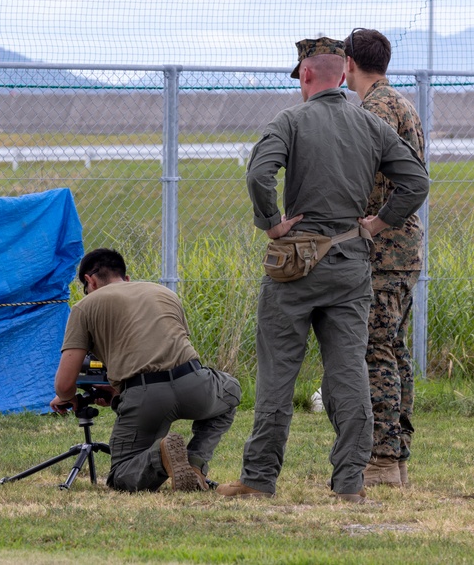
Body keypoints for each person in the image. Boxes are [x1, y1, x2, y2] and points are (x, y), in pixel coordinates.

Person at [217, 37, 430, 502]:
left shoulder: (290, 121)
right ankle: (351, 483)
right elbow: (416, 181)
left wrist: (271, 223)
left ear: (307, 75)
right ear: (342, 72)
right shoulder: (370, 124)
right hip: (352, 264)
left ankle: (259, 478)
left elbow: (258, 175)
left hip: (295, 265)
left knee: (278, 375)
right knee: (349, 372)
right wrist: (375, 223)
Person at [50, 248, 241, 492]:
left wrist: (68, 398)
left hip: (145, 398)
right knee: (231, 389)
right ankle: (195, 462)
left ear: (90, 281)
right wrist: (117, 392)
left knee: (120, 476)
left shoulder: (85, 306)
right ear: (126, 278)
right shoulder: (164, 293)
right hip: (195, 383)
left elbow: (65, 384)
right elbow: (166, 353)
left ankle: (162, 456)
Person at [344, 28, 426, 488]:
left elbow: (377, 181)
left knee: (376, 350)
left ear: (351, 64)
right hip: (404, 249)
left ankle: (381, 459)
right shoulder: (401, 103)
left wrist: (371, 224)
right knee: (394, 350)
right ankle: (395, 459)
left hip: (385, 250)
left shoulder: (374, 109)